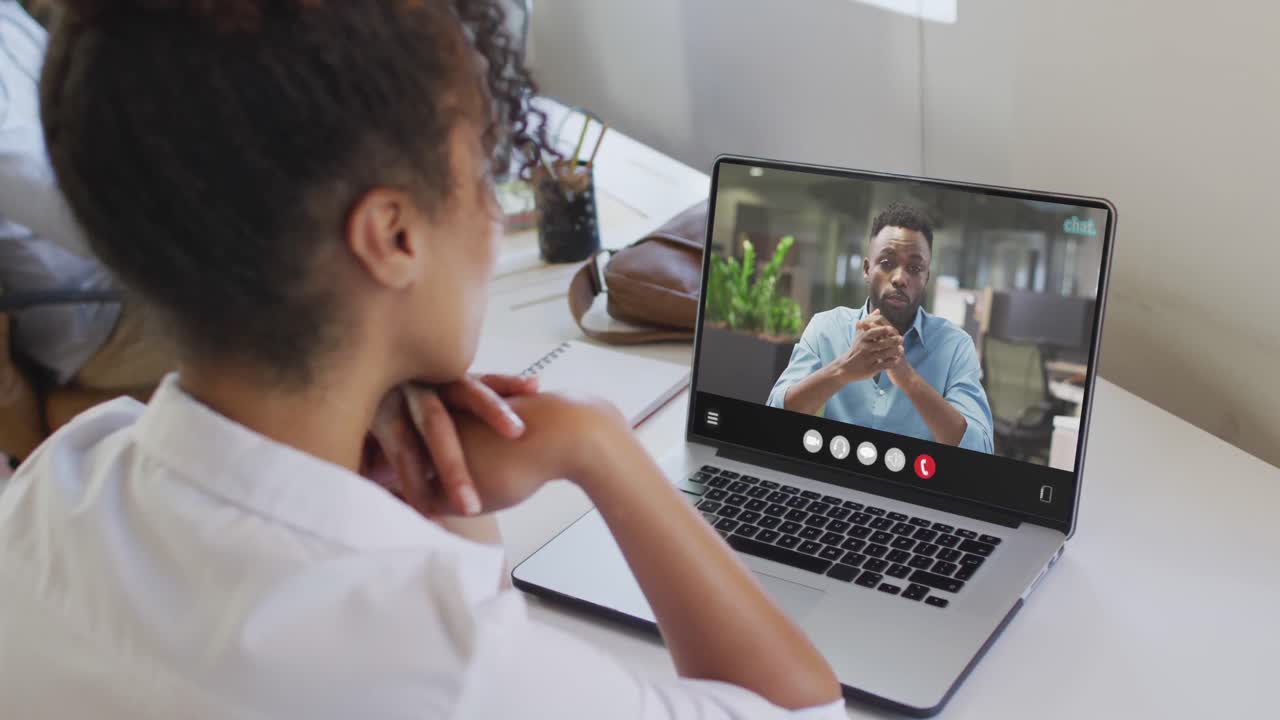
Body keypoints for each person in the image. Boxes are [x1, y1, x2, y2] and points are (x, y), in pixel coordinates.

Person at [0, 2, 844, 718]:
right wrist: (599, 446)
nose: (487, 213)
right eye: (482, 175)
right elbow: (805, 711)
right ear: (394, 236)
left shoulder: (52, 489)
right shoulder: (437, 668)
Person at [0, 0, 175, 460]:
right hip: (108, 313)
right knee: (335, 325)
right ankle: (75, 417)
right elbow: (109, 226)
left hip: (133, 242)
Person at [767, 202, 993, 453]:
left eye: (915, 268)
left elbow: (979, 449)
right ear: (866, 269)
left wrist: (907, 378)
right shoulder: (825, 328)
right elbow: (774, 418)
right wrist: (843, 369)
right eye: (886, 262)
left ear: (926, 277)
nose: (899, 278)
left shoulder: (955, 346)